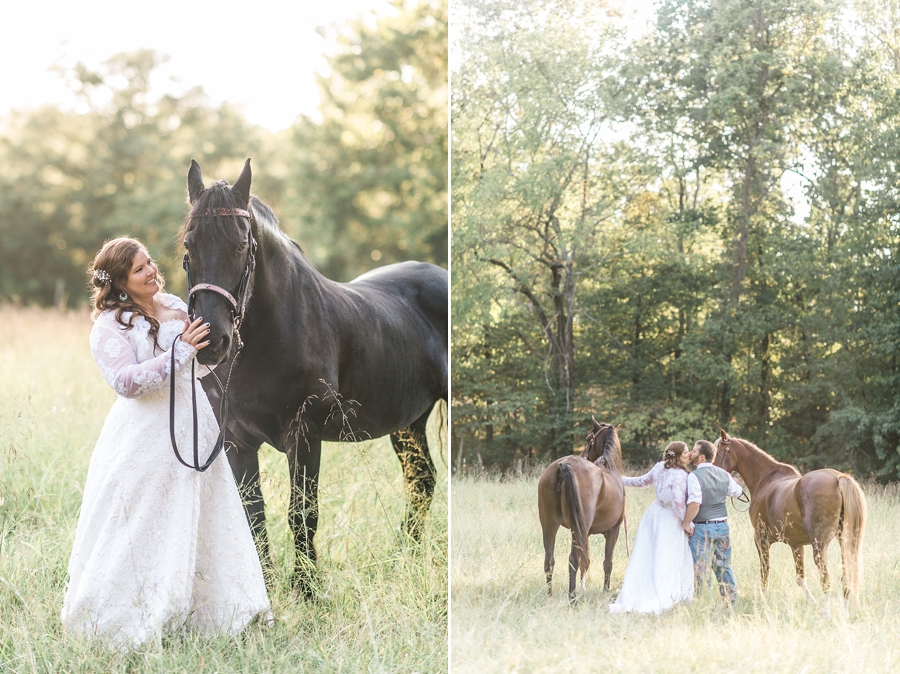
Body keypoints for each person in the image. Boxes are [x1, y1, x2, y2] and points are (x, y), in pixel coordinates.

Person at [61, 237, 271, 649]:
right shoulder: (109, 327)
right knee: (141, 521)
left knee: (201, 513)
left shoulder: (176, 303)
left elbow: (200, 363)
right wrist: (180, 352)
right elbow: (126, 383)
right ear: (121, 282)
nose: (152, 270)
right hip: (145, 434)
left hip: (196, 423)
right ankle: (131, 611)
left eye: (150, 262)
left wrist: (212, 347)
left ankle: (207, 611)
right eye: (140, 269)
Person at [609, 441, 694, 614]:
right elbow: (678, 503)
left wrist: (620, 478)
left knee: (649, 554)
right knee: (668, 555)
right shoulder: (680, 476)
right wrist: (687, 522)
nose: (688, 454)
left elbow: (641, 482)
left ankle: (642, 590)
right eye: (685, 452)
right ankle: (667, 593)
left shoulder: (659, 468)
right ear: (677, 456)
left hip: (654, 515)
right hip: (670, 519)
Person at [682, 439, 743, 603]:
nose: (691, 454)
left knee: (701, 567)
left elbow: (695, 503)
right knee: (724, 565)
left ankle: (703, 601)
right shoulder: (724, 474)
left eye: (694, 451)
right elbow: (737, 492)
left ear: (701, 457)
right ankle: (731, 600)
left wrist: (686, 523)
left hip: (703, 528)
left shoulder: (694, 476)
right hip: (722, 527)